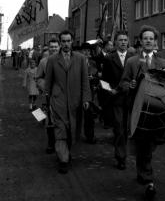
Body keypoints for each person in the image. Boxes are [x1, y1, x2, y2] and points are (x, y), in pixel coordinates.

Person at [120, 25, 165, 200]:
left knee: (149, 146)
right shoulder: (132, 62)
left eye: (151, 38)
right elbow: (123, 83)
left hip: (157, 111)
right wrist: (130, 86)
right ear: (141, 42)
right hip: (138, 109)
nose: (148, 41)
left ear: (155, 42)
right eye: (145, 38)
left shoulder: (164, 63)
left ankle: (143, 172)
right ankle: (148, 180)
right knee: (142, 144)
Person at [45, 30, 91, 174]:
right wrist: (48, 99)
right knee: (60, 130)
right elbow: (48, 82)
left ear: (72, 42)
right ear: (60, 43)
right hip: (58, 101)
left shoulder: (80, 58)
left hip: (75, 101)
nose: (65, 44)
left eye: (68, 41)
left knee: (72, 130)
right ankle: (63, 160)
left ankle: (66, 152)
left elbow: (85, 81)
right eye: (63, 41)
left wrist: (86, 99)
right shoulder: (52, 60)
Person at [102, 30, 134, 170]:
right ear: (115, 42)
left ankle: (125, 151)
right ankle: (121, 157)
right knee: (119, 128)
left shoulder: (134, 58)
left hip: (131, 98)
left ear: (128, 42)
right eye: (120, 40)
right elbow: (104, 80)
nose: (123, 42)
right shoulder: (109, 58)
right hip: (117, 99)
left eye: (125, 40)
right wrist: (111, 90)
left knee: (128, 129)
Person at [36, 38, 60, 153]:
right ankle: (51, 143)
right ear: (49, 48)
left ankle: (61, 143)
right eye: (52, 47)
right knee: (49, 120)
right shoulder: (43, 62)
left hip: (62, 96)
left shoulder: (65, 59)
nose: (54, 49)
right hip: (48, 95)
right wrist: (45, 86)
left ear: (59, 47)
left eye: (56, 46)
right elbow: (38, 78)